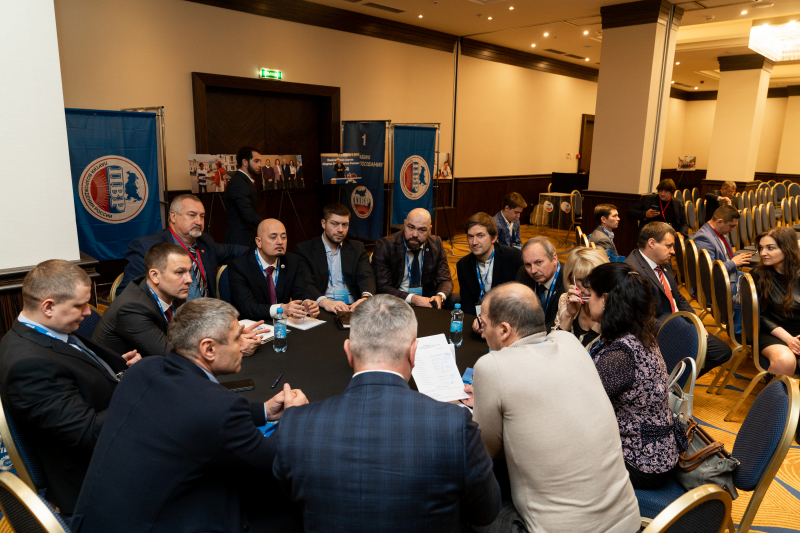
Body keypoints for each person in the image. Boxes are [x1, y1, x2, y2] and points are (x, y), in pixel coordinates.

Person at [70, 298, 309, 533]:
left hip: (95, 520)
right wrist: (294, 418)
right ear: (208, 349)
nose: (243, 344)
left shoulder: (144, 368)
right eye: (237, 338)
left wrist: (264, 411)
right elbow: (276, 463)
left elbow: (187, 413)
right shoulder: (220, 407)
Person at [272, 295, 500, 532]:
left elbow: (290, 498)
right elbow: (485, 512)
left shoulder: (296, 424)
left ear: (348, 352)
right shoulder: (454, 425)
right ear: (414, 353)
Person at [463, 283, 640, 533]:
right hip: (629, 522)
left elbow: (488, 449)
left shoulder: (491, 365)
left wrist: (488, 400)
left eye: (483, 324)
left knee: (465, 504)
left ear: (504, 330)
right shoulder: (570, 342)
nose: (482, 332)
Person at [0, 260, 140, 514]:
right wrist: (140, 387)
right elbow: (88, 435)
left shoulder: (47, 331)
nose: (88, 312)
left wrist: (118, 368)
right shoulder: (28, 366)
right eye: (79, 305)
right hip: (99, 479)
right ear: (48, 306)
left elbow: (77, 368)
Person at [583, 263, 687, 489]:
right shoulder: (636, 333)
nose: (586, 301)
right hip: (657, 451)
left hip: (642, 463)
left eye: (590, 294)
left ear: (605, 299)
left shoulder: (620, 355)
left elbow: (581, 405)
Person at [624, 222, 732, 375]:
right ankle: (670, 380)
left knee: (722, 352)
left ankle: (674, 381)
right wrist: (683, 332)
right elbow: (640, 319)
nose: (673, 251)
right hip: (660, 332)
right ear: (652, 243)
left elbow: (678, 297)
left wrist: (697, 323)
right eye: (668, 246)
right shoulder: (632, 272)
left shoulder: (662, 262)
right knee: (714, 352)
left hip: (679, 322)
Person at [117, 194, 248, 298]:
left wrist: (259, 248)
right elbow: (127, 295)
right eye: (192, 215)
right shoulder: (147, 247)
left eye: (202, 216)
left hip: (207, 314)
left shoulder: (205, 242)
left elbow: (232, 251)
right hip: (172, 318)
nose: (199, 221)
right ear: (173, 216)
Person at [93, 243, 192, 357]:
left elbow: (187, 334)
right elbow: (171, 355)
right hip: (117, 367)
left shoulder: (175, 293)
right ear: (155, 276)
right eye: (180, 272)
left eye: (189, 271)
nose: (189, 279)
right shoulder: (132, 308)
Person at [228, 218, 320, 321]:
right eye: (273, 237)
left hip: (283, 323)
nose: (280, 242)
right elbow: (248, 308)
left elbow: (300, 292)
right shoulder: (239, 266)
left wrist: (306, 303)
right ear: (259, 242)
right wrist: (281, 309)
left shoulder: (292, 261)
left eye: (283, 237)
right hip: (254, 324)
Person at [294, 202, 377, 314]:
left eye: (345, 225)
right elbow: (305, 283)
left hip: (353, 306)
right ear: (323, 223)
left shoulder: (357, 248)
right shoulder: (305, 249)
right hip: (323, 307)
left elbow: (366, 276)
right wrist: (325, 302)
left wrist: (365, 298)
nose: (340, 229)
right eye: (335, 224)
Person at [371, 208, 453, 308]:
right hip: (397, 299)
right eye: (411, 227)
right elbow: (383, 287)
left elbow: (445, 280)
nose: (415, 234)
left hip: (427, 298)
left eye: (422, 230)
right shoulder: (385, 245)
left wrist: (439, 296)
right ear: (404, 224)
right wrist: (414, 299)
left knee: (455, 300)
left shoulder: (436, 244)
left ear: (429, 229)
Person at [751, 226, 800, 376]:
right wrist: (789, 339)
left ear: (787, 248)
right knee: (785, 360)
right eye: (761, 248)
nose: (762, 253)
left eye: (770, 248)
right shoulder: (757, 275)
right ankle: (775, 392)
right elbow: (759, 316)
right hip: (770, 331)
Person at [456, 212, 523, 319]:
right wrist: (476, 322)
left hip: (508, 318)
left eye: (480, 236)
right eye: (470, 237)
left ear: (494, 238)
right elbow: (467, 303)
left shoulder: (514, 258)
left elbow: (521, 301)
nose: (474, 242)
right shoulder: (463, 265)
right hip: (477, 320)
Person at [553, 247, 608, 348]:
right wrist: (569, 316)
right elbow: (555, 347)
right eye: (582, 280)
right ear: (570, 279)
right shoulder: (566, 300)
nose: (589, 287)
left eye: (595, 280)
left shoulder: (614, 307)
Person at [691, 205, 752, 294]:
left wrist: (740, 258)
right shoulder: (703, 238)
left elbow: (726, 255)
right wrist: (733, 263)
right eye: (731, 226)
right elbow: (709, 269)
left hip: (728, 276)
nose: (733, 229)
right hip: (717, 285)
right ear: (719, 222)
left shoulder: (719, 231)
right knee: (751, 293)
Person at [514, 236, 565, 331]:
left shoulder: (567, 281)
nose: (533, 271)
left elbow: (559, 323)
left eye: (538, 262)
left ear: (554, 259)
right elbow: (516, 310)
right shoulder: (523, 273)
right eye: (528, 265)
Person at [224, 146, 264, 246]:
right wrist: (269, 224)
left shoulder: (242, 180)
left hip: (245, 238)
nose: (260, 165)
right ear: (245, 162)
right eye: (256, 161)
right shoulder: (239, 182)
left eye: (260, 161)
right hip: (240, 241)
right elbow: (248, 215)